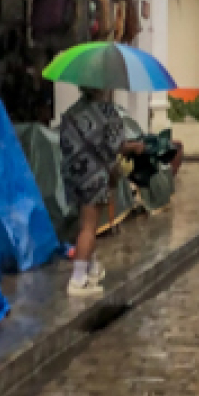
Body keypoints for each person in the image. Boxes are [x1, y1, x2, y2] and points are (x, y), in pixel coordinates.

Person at [60, 88, 147, 295]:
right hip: (95, 176)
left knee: (83, 225)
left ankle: (90, 268)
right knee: (90, 228)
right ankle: (78, 280)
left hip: (74, 175)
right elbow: (117, 146)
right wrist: (135, 147)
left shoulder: (71, 112)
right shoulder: (108, 112)